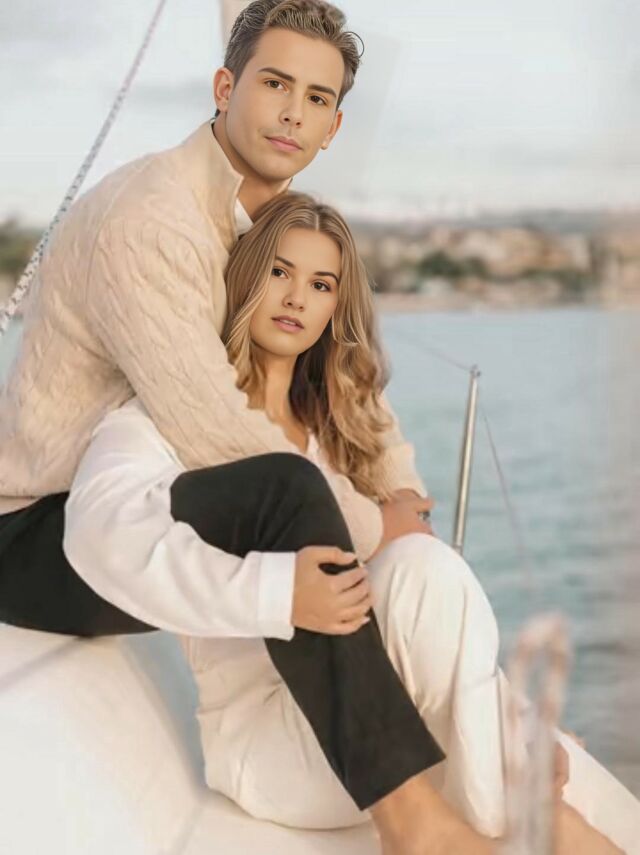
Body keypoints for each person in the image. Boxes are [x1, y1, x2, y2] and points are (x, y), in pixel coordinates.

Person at [0, 2, 516, 852]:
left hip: (149, 489)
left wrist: (401, 497)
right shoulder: (152, 218)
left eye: (317, 98)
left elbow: (348, 384)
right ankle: (414, 824)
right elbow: (214, 432)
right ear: (224, 86)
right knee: (290, 489)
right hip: (36, 531)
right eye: (275, 84)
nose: (292, 114)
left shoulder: (268, 225)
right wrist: (373, 524)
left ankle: (514, 774)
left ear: (334, 126)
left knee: (416, 563)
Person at [62, 193, 640, 854]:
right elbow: (98, 527)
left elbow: (430, 618)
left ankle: (529, 805)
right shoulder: (167, 419)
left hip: (376, 731)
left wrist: (514, 715)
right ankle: (529, 818)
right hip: (272, 744)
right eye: (279, 272)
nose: (296, 298)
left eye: (321, 284)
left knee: (424, 565)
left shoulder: (340, 434)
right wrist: (277, 591)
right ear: (244, 278)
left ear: (336, 306)